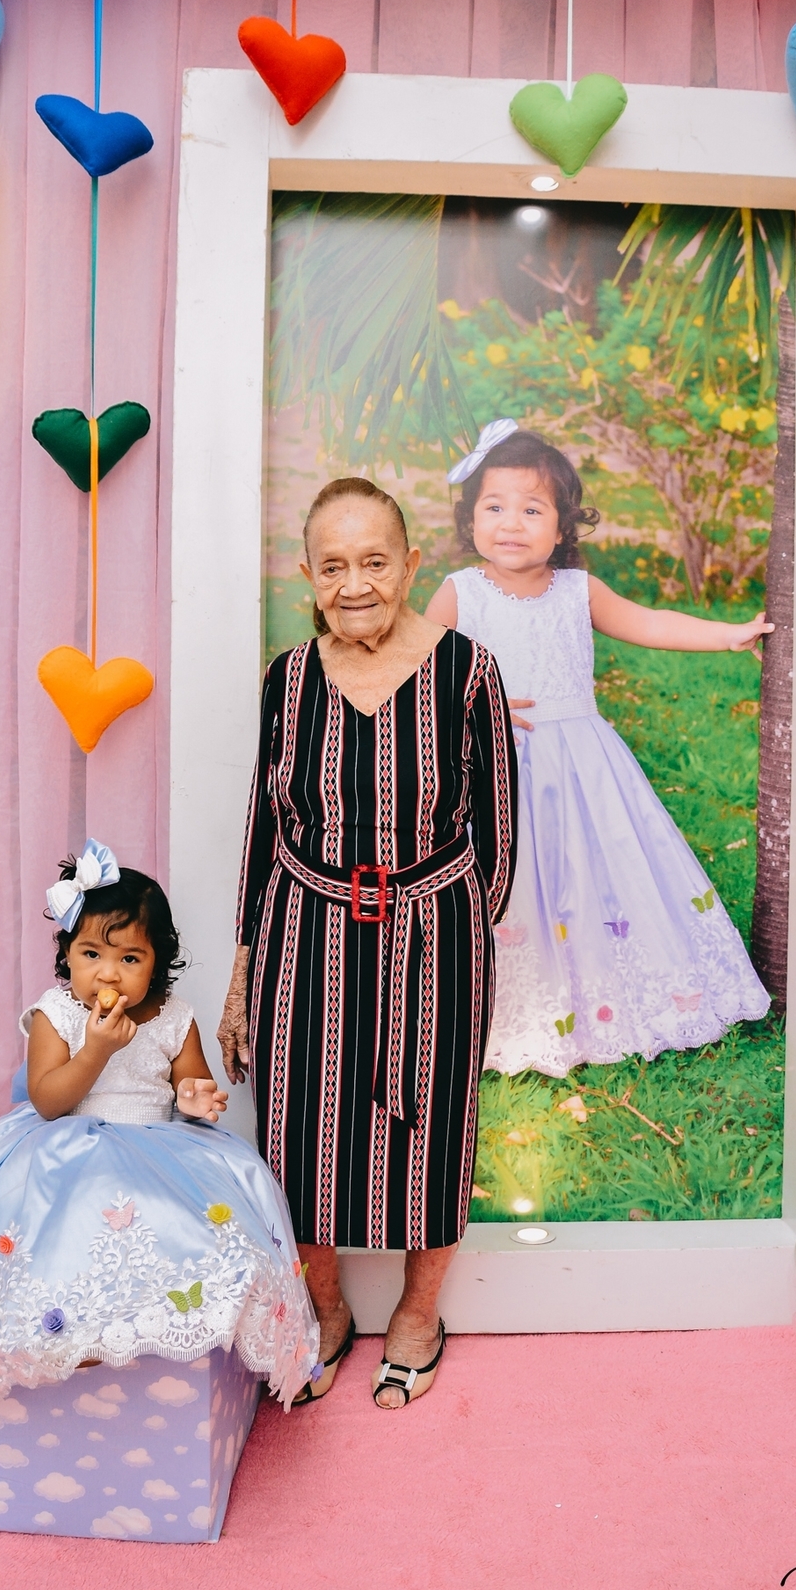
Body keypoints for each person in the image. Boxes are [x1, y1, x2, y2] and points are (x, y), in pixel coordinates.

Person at [218, 478, 516, 1410]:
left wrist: (453, 935)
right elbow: (264, 827)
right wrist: (244, 967)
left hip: (434, 933)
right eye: (334, 566)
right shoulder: (288, 677)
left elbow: (499, 836)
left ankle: (419, 1315)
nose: (355, 584)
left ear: (411, 564)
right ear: (308, 575)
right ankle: (328, 1306)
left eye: (375, 562)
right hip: (302, 929)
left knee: (433, 1125)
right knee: (297, 1128)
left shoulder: (468, 672)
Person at [0, 843, 318, 1411]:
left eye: (130, 958)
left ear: (158, 963)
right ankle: (66, 1355)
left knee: (184, 1238)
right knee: (67, 1241)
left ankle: (159, 1353)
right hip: (67, 1147)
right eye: (91, 953)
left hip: (161, 1150)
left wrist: (196, 1097)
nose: (107, 973)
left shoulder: (173, 1016)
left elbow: (190, 1084)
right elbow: (48, 1100)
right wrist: (94, 1050)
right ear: (67, 954)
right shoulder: (56, 1013)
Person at [424, 420, 771, 1079]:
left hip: (584, 767)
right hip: (493, 767)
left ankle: (615, 998)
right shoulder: (460, 592)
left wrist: (726, 634)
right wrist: (470, 703)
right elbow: (418, 670)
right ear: (470, 519)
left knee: (594, 875)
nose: (511, 523)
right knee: (513, 884)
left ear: (563, 526)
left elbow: (650, 622)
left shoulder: (577, 591)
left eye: (533, 510)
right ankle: (513, 1008)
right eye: (494, 507)